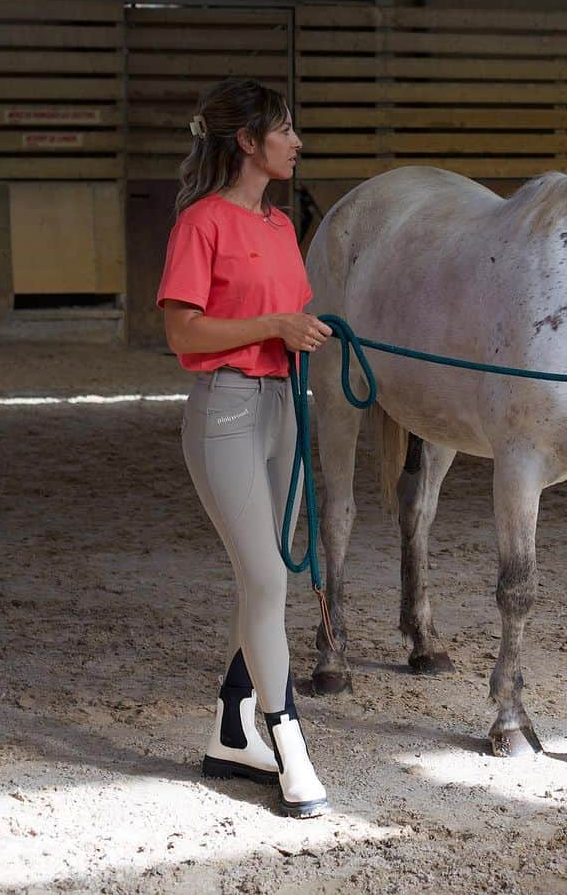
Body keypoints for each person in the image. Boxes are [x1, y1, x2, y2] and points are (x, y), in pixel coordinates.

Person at [157, 77, 333, 819]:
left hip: (284, 408)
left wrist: (301, 329)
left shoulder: (280, 226)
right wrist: (273, 326)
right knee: (267, 581)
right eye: (285, 131)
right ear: (248, 143)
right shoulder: (201, 224)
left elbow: (286, 313)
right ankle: (285, 736)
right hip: (226, 412)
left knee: (263, 584)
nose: (296, 142)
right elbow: (184, 333)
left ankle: (232, 726)